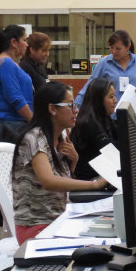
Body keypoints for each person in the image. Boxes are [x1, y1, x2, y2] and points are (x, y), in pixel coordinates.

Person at [12, 81, 108, 245]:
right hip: (37, 226)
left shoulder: (59, 138)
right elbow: (49, 181)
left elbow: (60, 183)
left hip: (58, 220)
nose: (76, 111)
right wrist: (93, 184)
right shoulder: (34, 138)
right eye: (70, 105)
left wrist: (73, 162)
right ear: (52, 109)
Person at [70, 78, 136, 180]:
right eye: (111, 97)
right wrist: (134, 123)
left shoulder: (104, 117)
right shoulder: (89, 123)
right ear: (99, 100)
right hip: (90, 181)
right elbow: (113, 152)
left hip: (104, 175)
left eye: (114, 96)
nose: (115, 100)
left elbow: (119, 136)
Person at [74, 30, 136, 109]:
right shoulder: (104, 63)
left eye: (118, 48)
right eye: (111, 47)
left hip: (133, 113)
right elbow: (90, 85)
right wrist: (76, 104)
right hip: (110, 113)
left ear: (128, 47)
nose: (114, 51)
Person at [0, 24, 33, 143]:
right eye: (24, 40)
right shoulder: (5, 63)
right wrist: (33, 121)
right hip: (11, 124)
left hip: (11, 123)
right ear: (14, 42)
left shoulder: (7, 62)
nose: (26, 44)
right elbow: (15, 98)